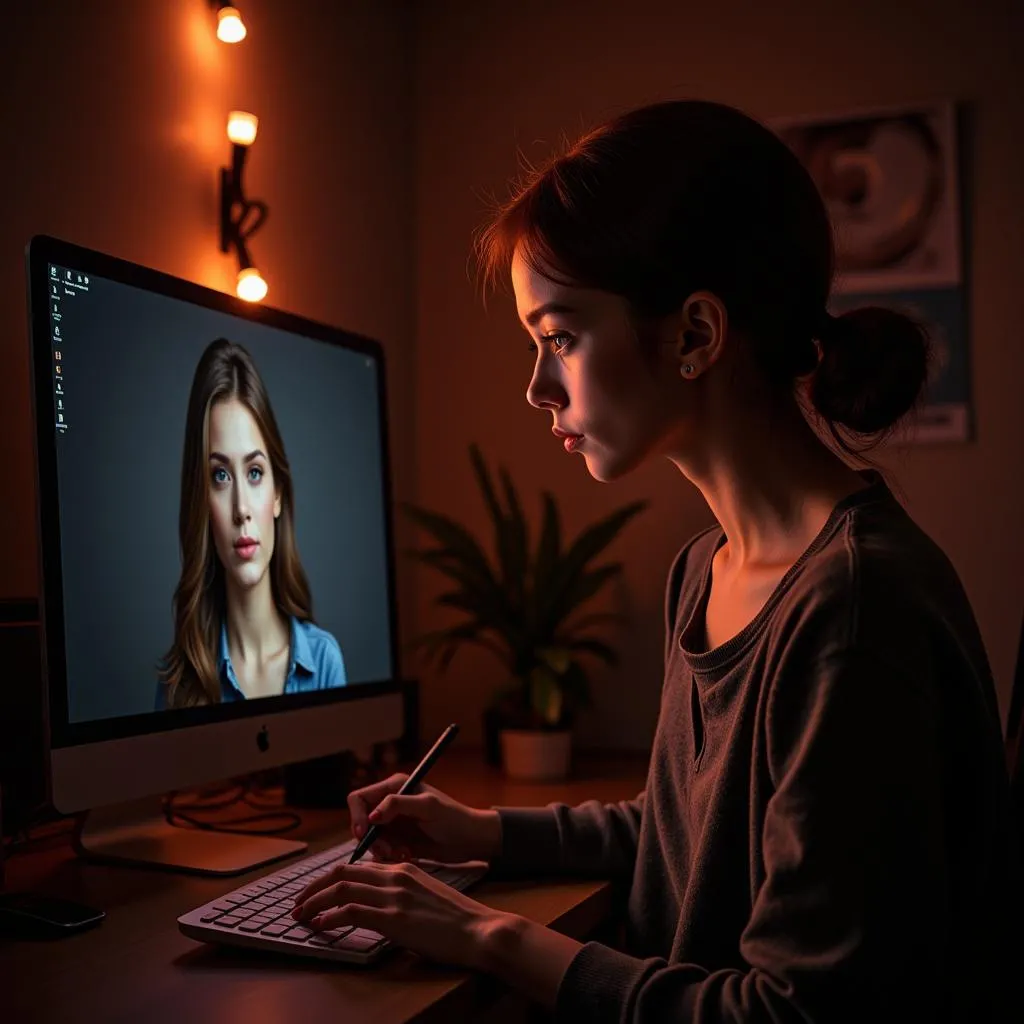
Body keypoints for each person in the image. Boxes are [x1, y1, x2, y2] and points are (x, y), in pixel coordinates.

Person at [287, 100, 1020, 1020]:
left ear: (695, 336)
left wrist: (490, 935)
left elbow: (793, 1013)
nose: (535, 385)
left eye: (559, 337)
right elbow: (687, 836)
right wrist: (481, 830)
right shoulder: (707, 571)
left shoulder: (853, 609)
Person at [156, 338, 346, 709]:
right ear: (201, 501)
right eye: (220, 476)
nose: (241, 509)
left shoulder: (325, 662)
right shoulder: (179, 681)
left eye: (255, 472)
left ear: (278, 494)